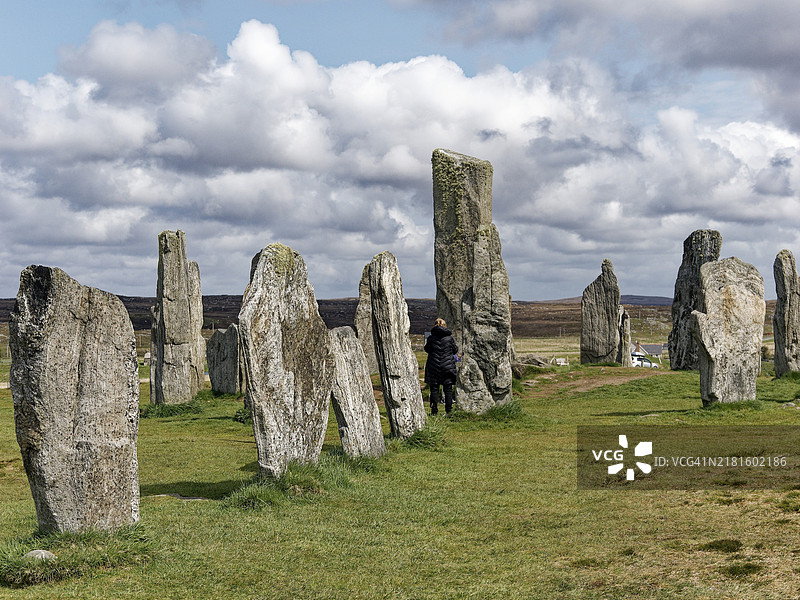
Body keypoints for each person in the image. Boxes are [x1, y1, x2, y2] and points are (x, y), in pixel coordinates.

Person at [424, 318, 458, 415]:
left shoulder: (431, 338)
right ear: (444, 326)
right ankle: (448, 411)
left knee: (434, 389)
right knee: (447, 388)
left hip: (433, 366)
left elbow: (427, 349)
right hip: (447, 366)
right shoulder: (449, 338)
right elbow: (455, 350)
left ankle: (434, 411)